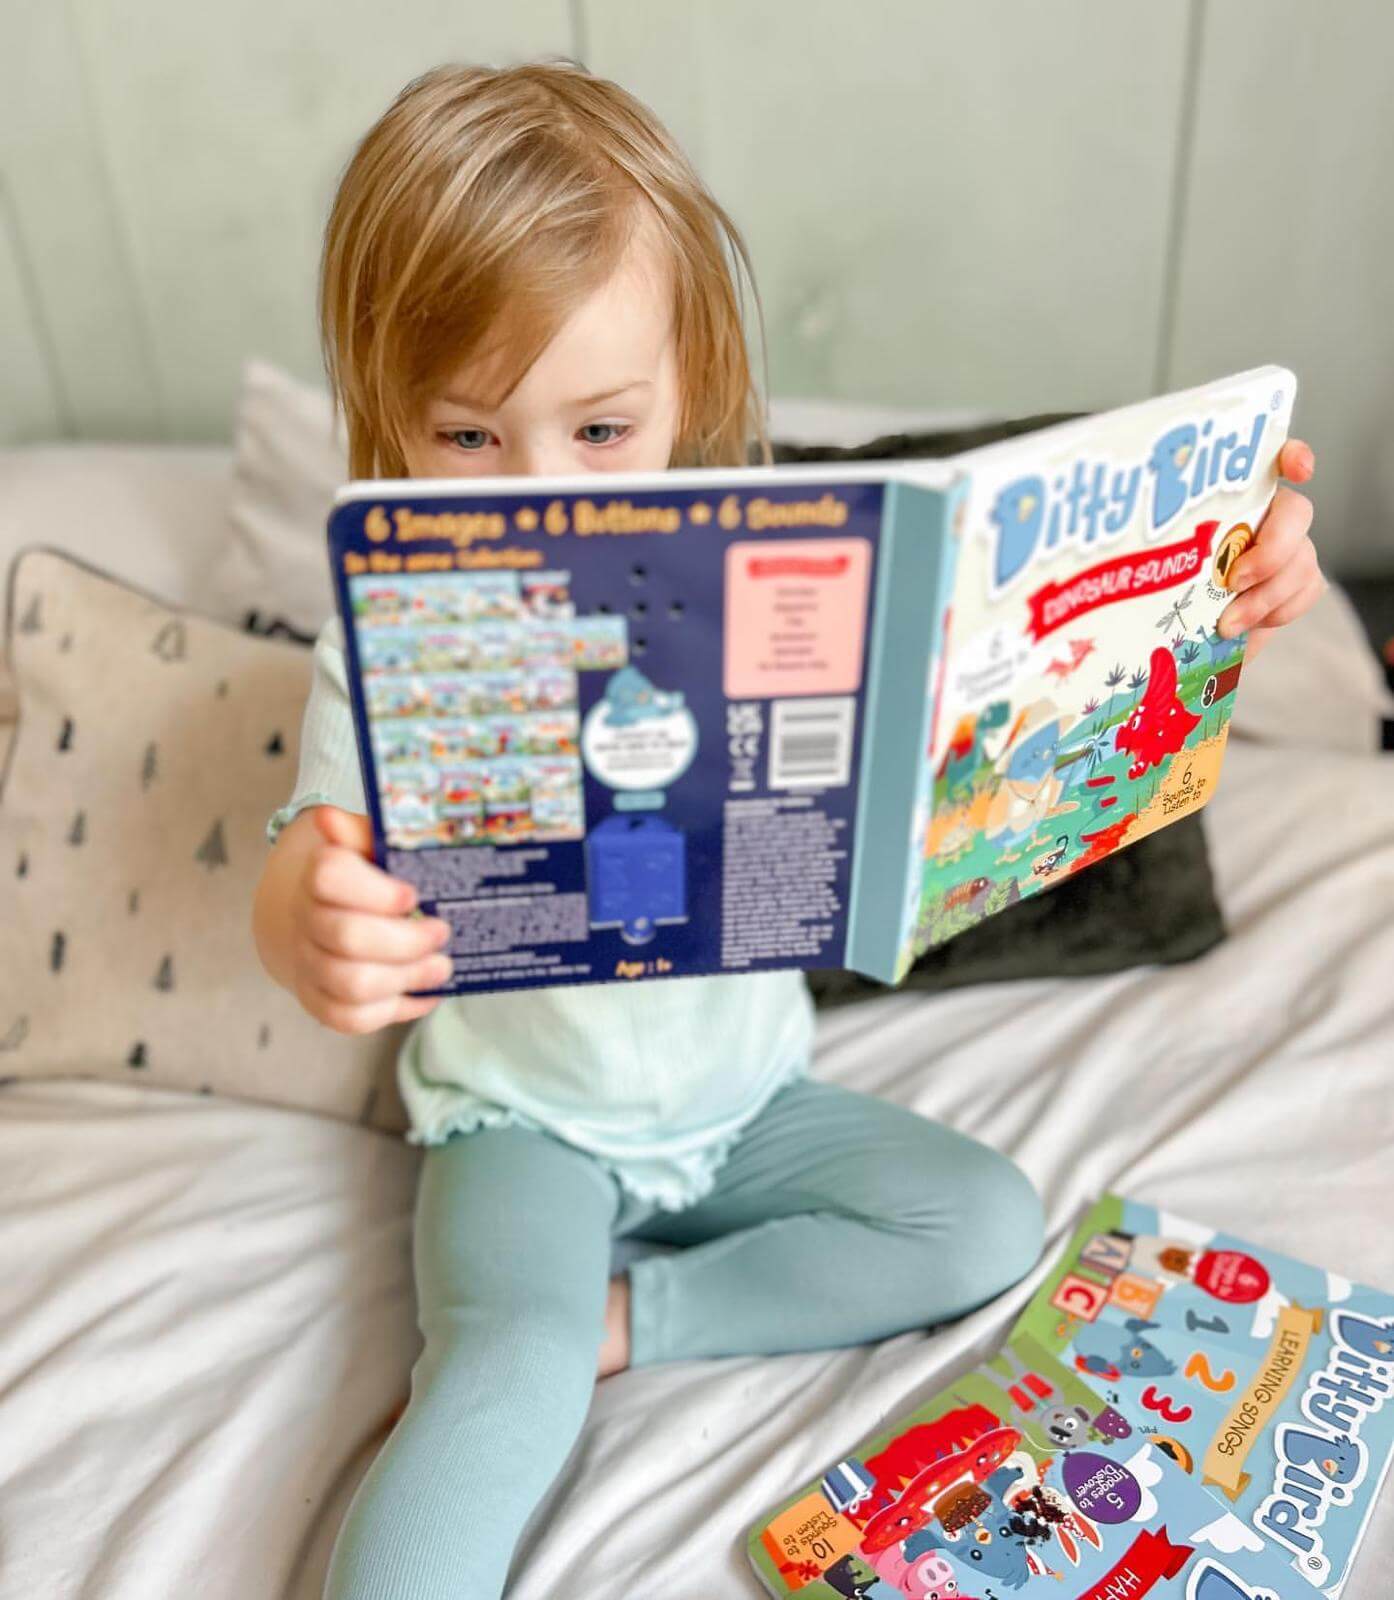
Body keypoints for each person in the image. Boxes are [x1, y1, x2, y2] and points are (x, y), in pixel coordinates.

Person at [251, 60, 1321, 1600]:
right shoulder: (390, 639)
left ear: (686, 385)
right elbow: (310, 853)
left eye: (599, 428)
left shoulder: (778, 586)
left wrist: (1226, 574)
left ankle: (634, 1319)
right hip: (526, 1121)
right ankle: (558, 1334)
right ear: (386, 415)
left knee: (984, 1223)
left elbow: (1081, 674)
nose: (540, 490)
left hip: (749, 1096)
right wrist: (312, 918)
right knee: (501, 1372)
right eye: (469, 437)